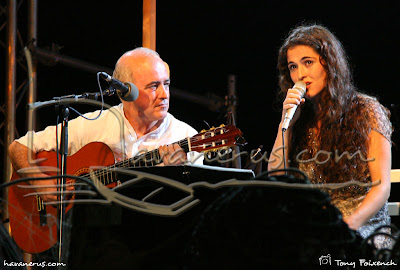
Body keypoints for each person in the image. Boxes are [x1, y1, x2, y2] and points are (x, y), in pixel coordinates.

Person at [8, 47, 202, 202]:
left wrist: (174, 175)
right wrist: (39, 181)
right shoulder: (96, 124)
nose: (164, 94)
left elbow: (193, 210)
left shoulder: (187, 137)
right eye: (153, 86)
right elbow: (18, 146)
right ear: (126, 91)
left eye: (166, 84)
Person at [268, 24, 393, 243]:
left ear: (329, 63)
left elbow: (381, 187)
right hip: (318, 231)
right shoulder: (300, 120)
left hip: (362, 229)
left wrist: (347, 227)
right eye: (293, 67)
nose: (300, 74)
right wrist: (285, 123)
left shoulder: (367, 111)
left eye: (308, 63)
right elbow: (276, 177)